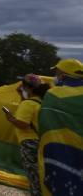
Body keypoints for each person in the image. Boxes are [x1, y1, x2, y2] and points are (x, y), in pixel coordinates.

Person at [37, 58, 83, 195]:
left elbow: (45, 122)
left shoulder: (53, 94)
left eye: (56, 72)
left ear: (62, 75)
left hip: (61, 152)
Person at [3, 74, 49, 196]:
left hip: (29, 143)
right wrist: (21, 95)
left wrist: (10, 119)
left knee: (34, 176)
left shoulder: (28, 104)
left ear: (27, 88)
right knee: (41, 175)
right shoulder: (41, 102)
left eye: (22, 87)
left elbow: (23, 124)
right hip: (41, 141)